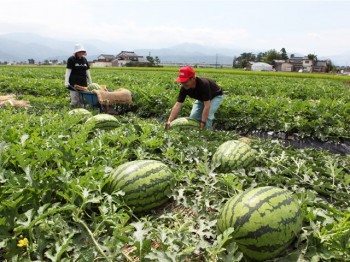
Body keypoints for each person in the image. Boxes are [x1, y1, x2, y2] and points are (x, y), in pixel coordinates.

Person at [165, 66, 224, 130]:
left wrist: (203, 122)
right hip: (201, 98)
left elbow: (207, 106)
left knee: (207, 117)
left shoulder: (203, 84)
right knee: (193, 118)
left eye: (185, 81)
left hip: (215, 97)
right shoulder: (184, 88)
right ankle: (195, 134)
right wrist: (169, 121)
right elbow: (178, 105)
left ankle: (207, 134)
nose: (183, 84)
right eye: (182, 82)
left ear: (193, 78)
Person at [64, 43, 92, 107]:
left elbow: (87, 71)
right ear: (76, 52)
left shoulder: (84, 60)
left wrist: (90, 81)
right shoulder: (71, 59)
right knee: (74, 98)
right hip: (74, 82)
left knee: (82, 98)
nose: (81, 53)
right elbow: (68, 71)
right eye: (79, 51)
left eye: (82, 52)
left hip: (83, 82)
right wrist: (66, 81)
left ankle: (81, 109)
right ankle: (74, 109)